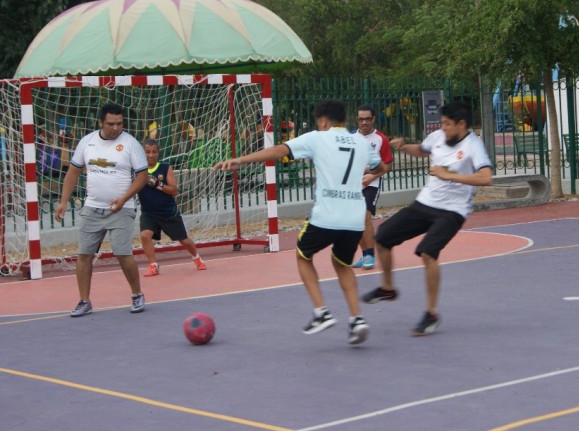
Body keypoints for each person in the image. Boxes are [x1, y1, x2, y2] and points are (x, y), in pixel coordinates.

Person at [213, 100, 385, 345]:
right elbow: (382, 167)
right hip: (355, 216)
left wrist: (240, 160)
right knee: (342, 265)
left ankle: (321, 312)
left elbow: (278, 151)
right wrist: (366, 171)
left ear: (323, 121)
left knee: (303, 255)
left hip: (327, 214)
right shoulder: (361, 142)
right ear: (345, 120)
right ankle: (357, 319)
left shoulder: (317, 137)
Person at [360, 101, 493, 336]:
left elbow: (485, 178)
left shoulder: (474, 145)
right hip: (425, 203)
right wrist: (403, 147)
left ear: (461, 124)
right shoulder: (438, 137)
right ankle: (388, 288)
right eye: (442, 123)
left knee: (427, 252)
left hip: (453, 210)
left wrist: (448, 175)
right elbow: (422, 150)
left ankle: (431, 313)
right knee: (382, 237)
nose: (443, 128)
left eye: (447, 124)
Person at [54, 102, 149, 317]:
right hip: (93, 207)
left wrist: (124, 198)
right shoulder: (87, 142)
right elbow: (73, 172)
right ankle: (84, 300)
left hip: (122, 209)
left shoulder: (131, 144)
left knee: (122, 253)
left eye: (119, 123)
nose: (116, 128)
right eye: (111, 124)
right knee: (84, 255)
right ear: (100, 122)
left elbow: (142, 177)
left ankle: (137, 294)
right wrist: (63, 201)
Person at [138, 139, 207, 277]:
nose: (150, 155)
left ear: (158, 153)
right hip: (148, 212)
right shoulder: (138, 170)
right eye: (147, 152)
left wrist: (157, 184)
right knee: (145, 235)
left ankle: (197, 257)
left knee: (183, 239)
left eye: (154, 152)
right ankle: (153, 265)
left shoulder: (165, 167)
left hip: (168, 213)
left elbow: (174, 190)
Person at [351, 104, 393, 270]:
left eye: (367, 119)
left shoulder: (380, 139)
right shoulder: (351, 137)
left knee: (364, 217)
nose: (364, 122)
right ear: (357, 120)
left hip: (372, 184)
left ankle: (370, 255)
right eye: (361, 119)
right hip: (353, 185)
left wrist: (372, 176)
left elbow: (387, 165)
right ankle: (365, 253)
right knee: (355, 221)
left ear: (373, 119)